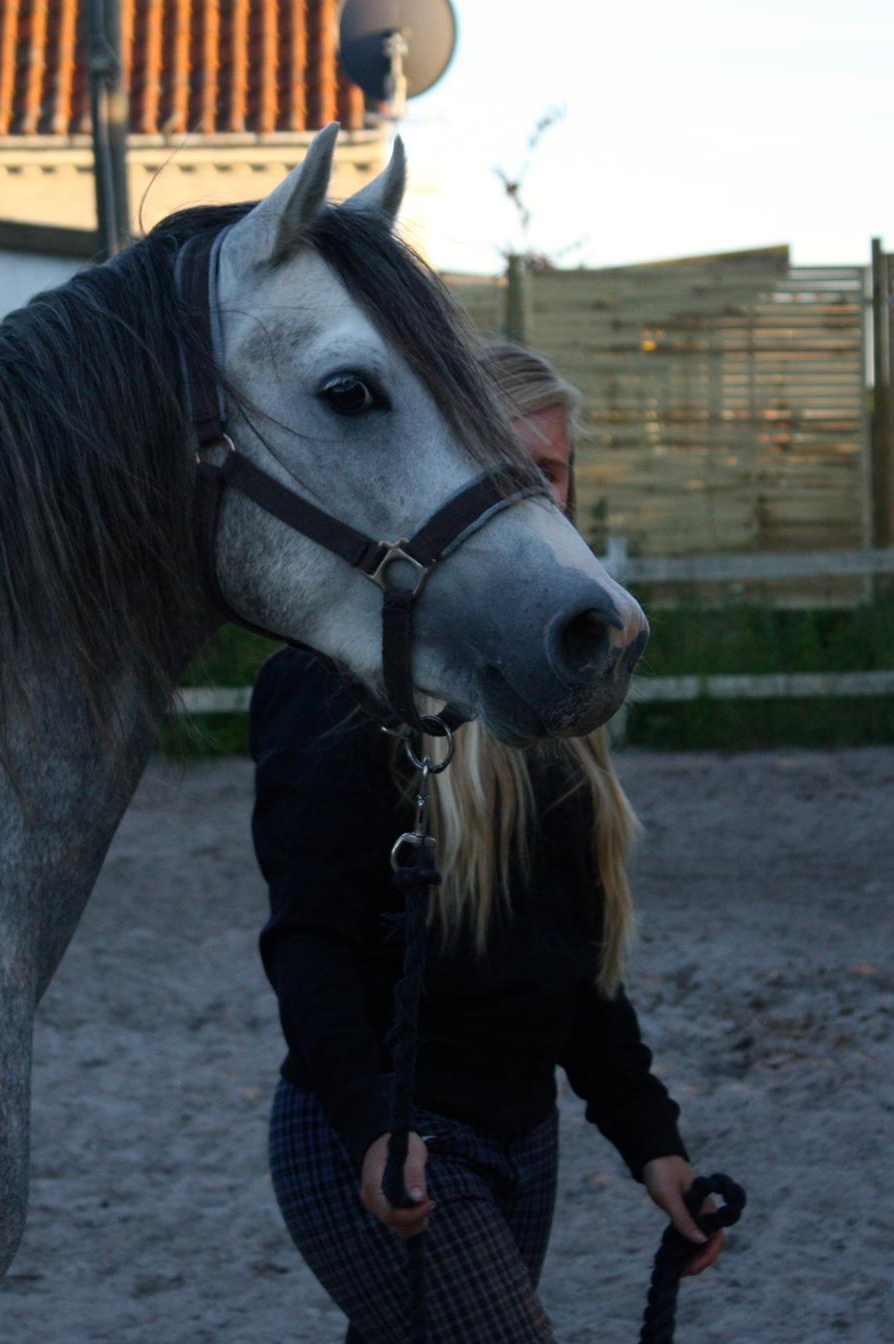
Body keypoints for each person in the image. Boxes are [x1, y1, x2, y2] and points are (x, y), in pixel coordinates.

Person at [249, 345, 725, 1344]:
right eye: (497, 472)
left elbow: (573, 964)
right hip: (381, 1139)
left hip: (524, 1137)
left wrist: (653, 1143)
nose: (529, 501)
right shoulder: (337, 688)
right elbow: (311, 946)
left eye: (546, 474)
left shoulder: (561, 684)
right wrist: (374, 1125)